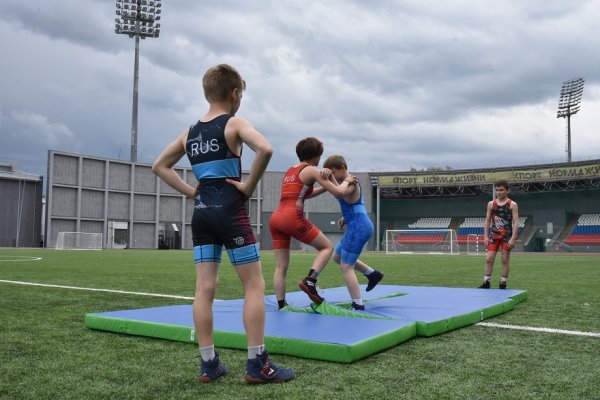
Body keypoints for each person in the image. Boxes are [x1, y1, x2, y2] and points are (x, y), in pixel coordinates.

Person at [152, 64, 294, 384]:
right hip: (230, 210)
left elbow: (159, 165)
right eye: (240, 94)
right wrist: (249, 187)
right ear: (234, 94)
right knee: (254, 286)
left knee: (204, 290)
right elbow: (266, 149)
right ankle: (257, 363)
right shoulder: (234, 123)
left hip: (201, 214)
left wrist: (192, 192)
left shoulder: (189, 133)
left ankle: (208, 364)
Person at [269, 137, 355, 308]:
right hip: (291, 217)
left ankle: (281, 304)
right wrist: (347, 181)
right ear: (316, 156)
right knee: (327, 247)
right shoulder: (312, 170)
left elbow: (304, 194)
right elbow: (339, 193)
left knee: (281, 266)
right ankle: (310, 280)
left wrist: (324, 185)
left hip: (276, 218)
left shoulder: (291, 170)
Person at [322, 155, 384, 311]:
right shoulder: (345, 182)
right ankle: (372, 274)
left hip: (359, 227)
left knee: (346, 266)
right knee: (337, 256)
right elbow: (355, 202)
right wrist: (346, 217)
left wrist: (329, 179)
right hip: (356, 224)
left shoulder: (351, 181)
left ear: (343, 168)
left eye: (334, 172)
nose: (333, 176)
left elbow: (339, 193)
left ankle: (358, 304)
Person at [478, 179, 520, 289]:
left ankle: (503, 283)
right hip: (494, 235)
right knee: (489, 259)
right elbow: (487, 220)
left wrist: (513, 238)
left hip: (507, 236)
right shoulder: (491, 204)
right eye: (497, 190)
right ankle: (486, 282)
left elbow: (516, 222)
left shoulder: (512, 204)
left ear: (507, 190)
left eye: (501, 190)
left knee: (505, 260)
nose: (499, 192)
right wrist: (486, 236)